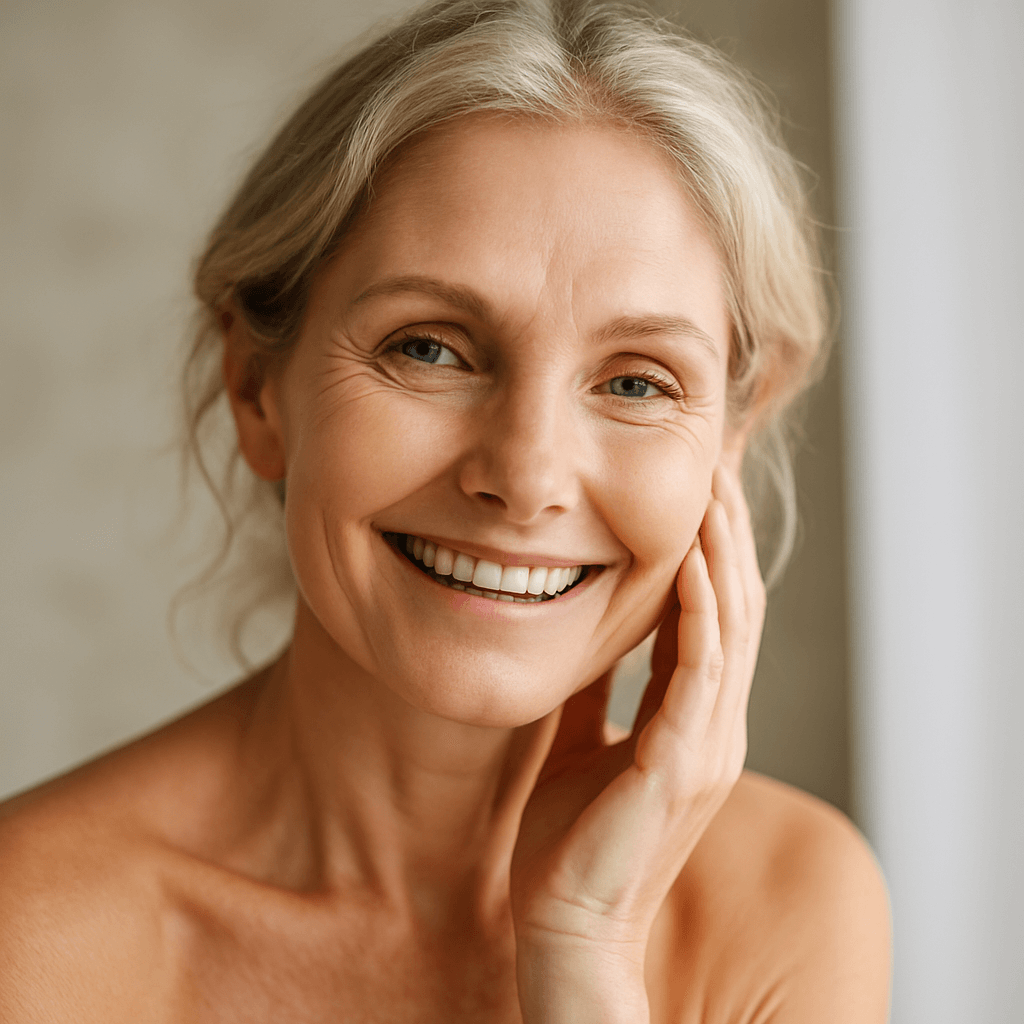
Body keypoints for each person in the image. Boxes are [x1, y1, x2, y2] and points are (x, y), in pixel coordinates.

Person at [0, 1, 890, 1020]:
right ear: (256, 389)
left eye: (637, 382)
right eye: (428, 347)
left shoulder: (791, 904)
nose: (525, 474)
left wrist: (583, 953)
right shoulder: (25, 936)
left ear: (729, 439)